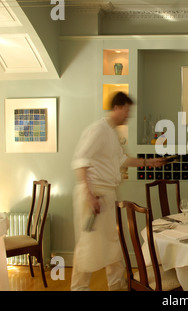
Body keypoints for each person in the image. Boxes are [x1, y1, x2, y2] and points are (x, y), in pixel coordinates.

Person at [70, 92, 166, 291]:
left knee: (113, 242)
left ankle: (117, 286)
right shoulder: (97, 130)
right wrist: (89, 196)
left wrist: (149, 162)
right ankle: (79, 288)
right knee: (87, 245)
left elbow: (123, 160)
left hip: (107, 194)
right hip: (94, 195)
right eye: (127, 110)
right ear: (117, 107)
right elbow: (80, 162)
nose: (128, 115)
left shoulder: (112, 133)